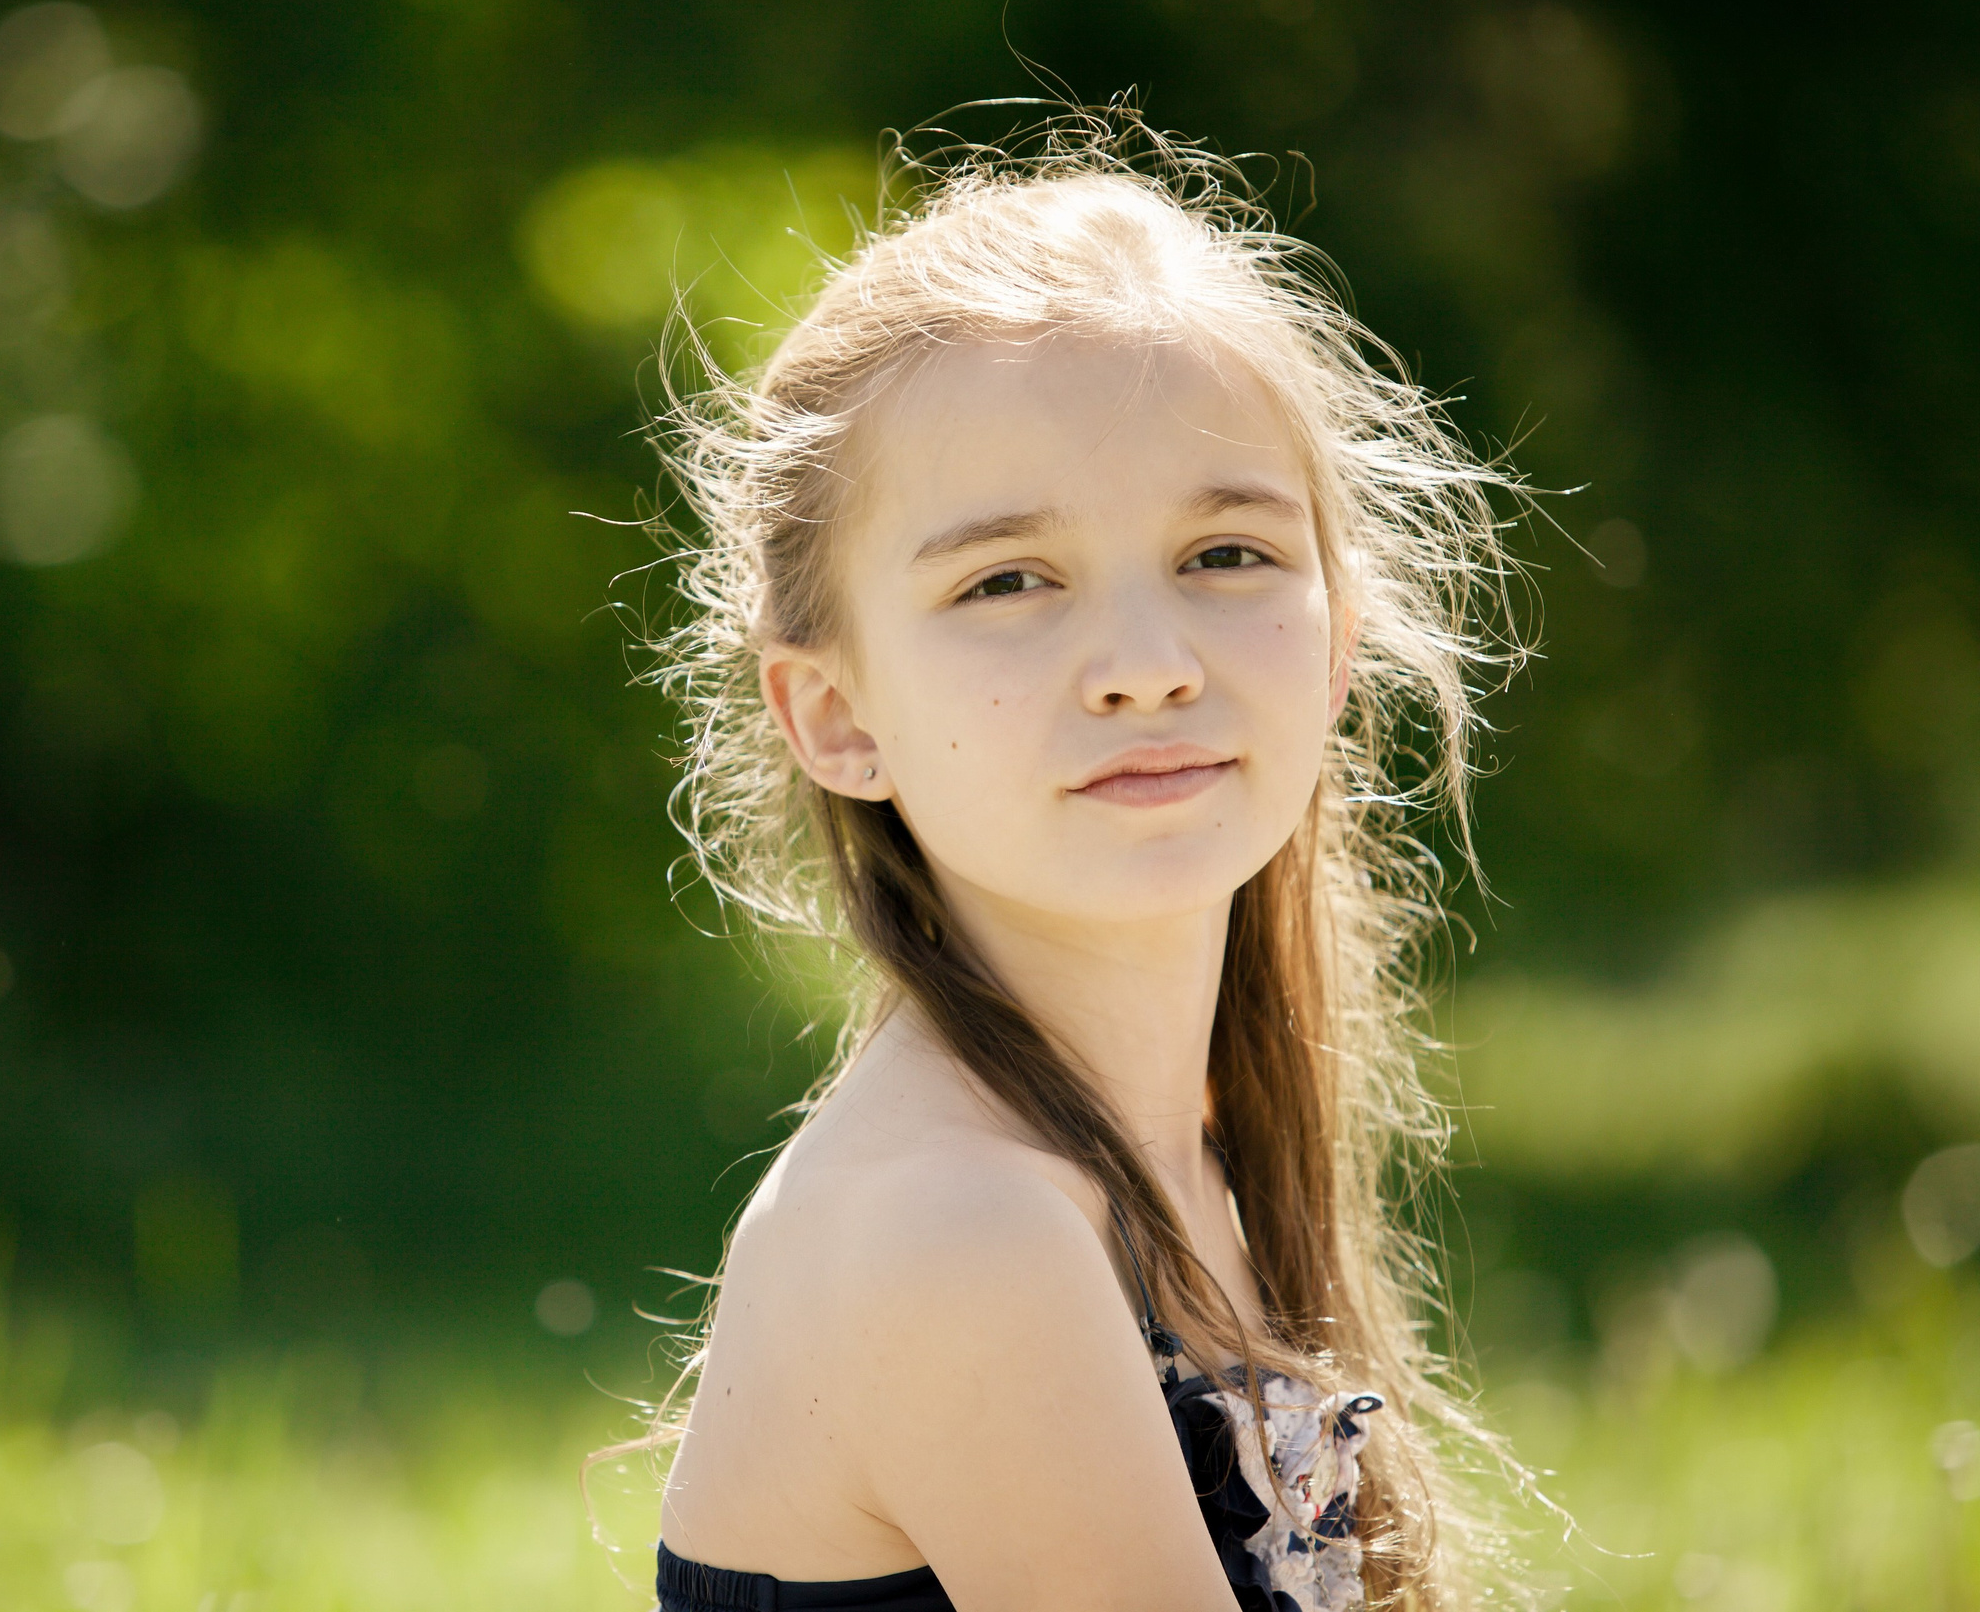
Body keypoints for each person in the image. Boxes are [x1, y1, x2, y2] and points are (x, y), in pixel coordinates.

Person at [631, 110, 1526, 1611]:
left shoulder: (1191, 1146)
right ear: (839, 716)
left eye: (1223, 554)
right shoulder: (958, 1229)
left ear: (1335, 642)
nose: (1144, 662)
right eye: (1008, 581)